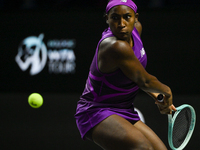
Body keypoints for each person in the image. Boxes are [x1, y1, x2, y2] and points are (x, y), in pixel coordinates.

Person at [75, 0, 176, 149]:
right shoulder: (115, 46)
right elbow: (144, 81)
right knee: (141, 147)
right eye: (115, 18)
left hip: (124, 109)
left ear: (135, 18)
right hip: (96, 110)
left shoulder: (136, 30)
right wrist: (167, 92)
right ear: (107, 19)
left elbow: (135, 75)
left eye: (127, 17)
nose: (121, 23)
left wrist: (158, 96)